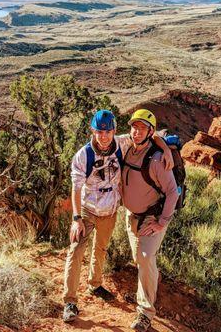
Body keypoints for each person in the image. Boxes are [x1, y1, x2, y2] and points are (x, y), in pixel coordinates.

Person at [63, 109, 173, 323]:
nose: (103, 136)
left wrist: (166, 149)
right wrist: (76, 219)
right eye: (99, 132)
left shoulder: (122, 143)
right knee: (76, 249)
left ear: (114, 131)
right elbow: (75, 188)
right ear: (92, 131)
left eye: (108, 131)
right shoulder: (83, 155)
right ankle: (70, 301)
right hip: (87, 209)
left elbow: (151, 133)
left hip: (110, 210)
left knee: (101, 248)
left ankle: (94, 284)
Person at [122, 109, 179, 332]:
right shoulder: (126, 146)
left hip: (151, 218)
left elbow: (173, 192)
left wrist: (162, 221)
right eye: (134, 127)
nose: (136, 132)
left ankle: (145, 313)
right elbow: (102, 137)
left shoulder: (157, 161)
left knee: (145, 257)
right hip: (130, 216)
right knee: (140, 260)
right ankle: (150, 282)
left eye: (142, 128)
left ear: (151, 131)